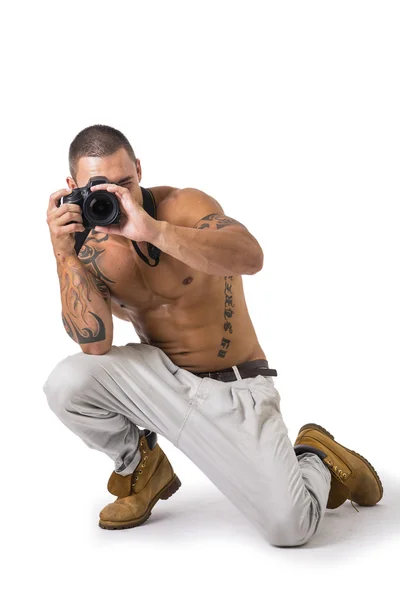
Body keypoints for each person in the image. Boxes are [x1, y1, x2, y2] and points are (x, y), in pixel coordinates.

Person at [43, 124, 383, 547]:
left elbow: (250, 257)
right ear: (73, 187)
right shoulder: (84, 245)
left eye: (125, 183)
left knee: (290, 528)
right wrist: (64, 255)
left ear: (140, 170)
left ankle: (315, 456)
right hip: (162, 384)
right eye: (99, 187)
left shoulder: (183, 206)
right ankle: (142, 470)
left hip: (234, 386)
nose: (114, 198)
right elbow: (95, 345)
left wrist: (150, 230)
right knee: (67, 382)